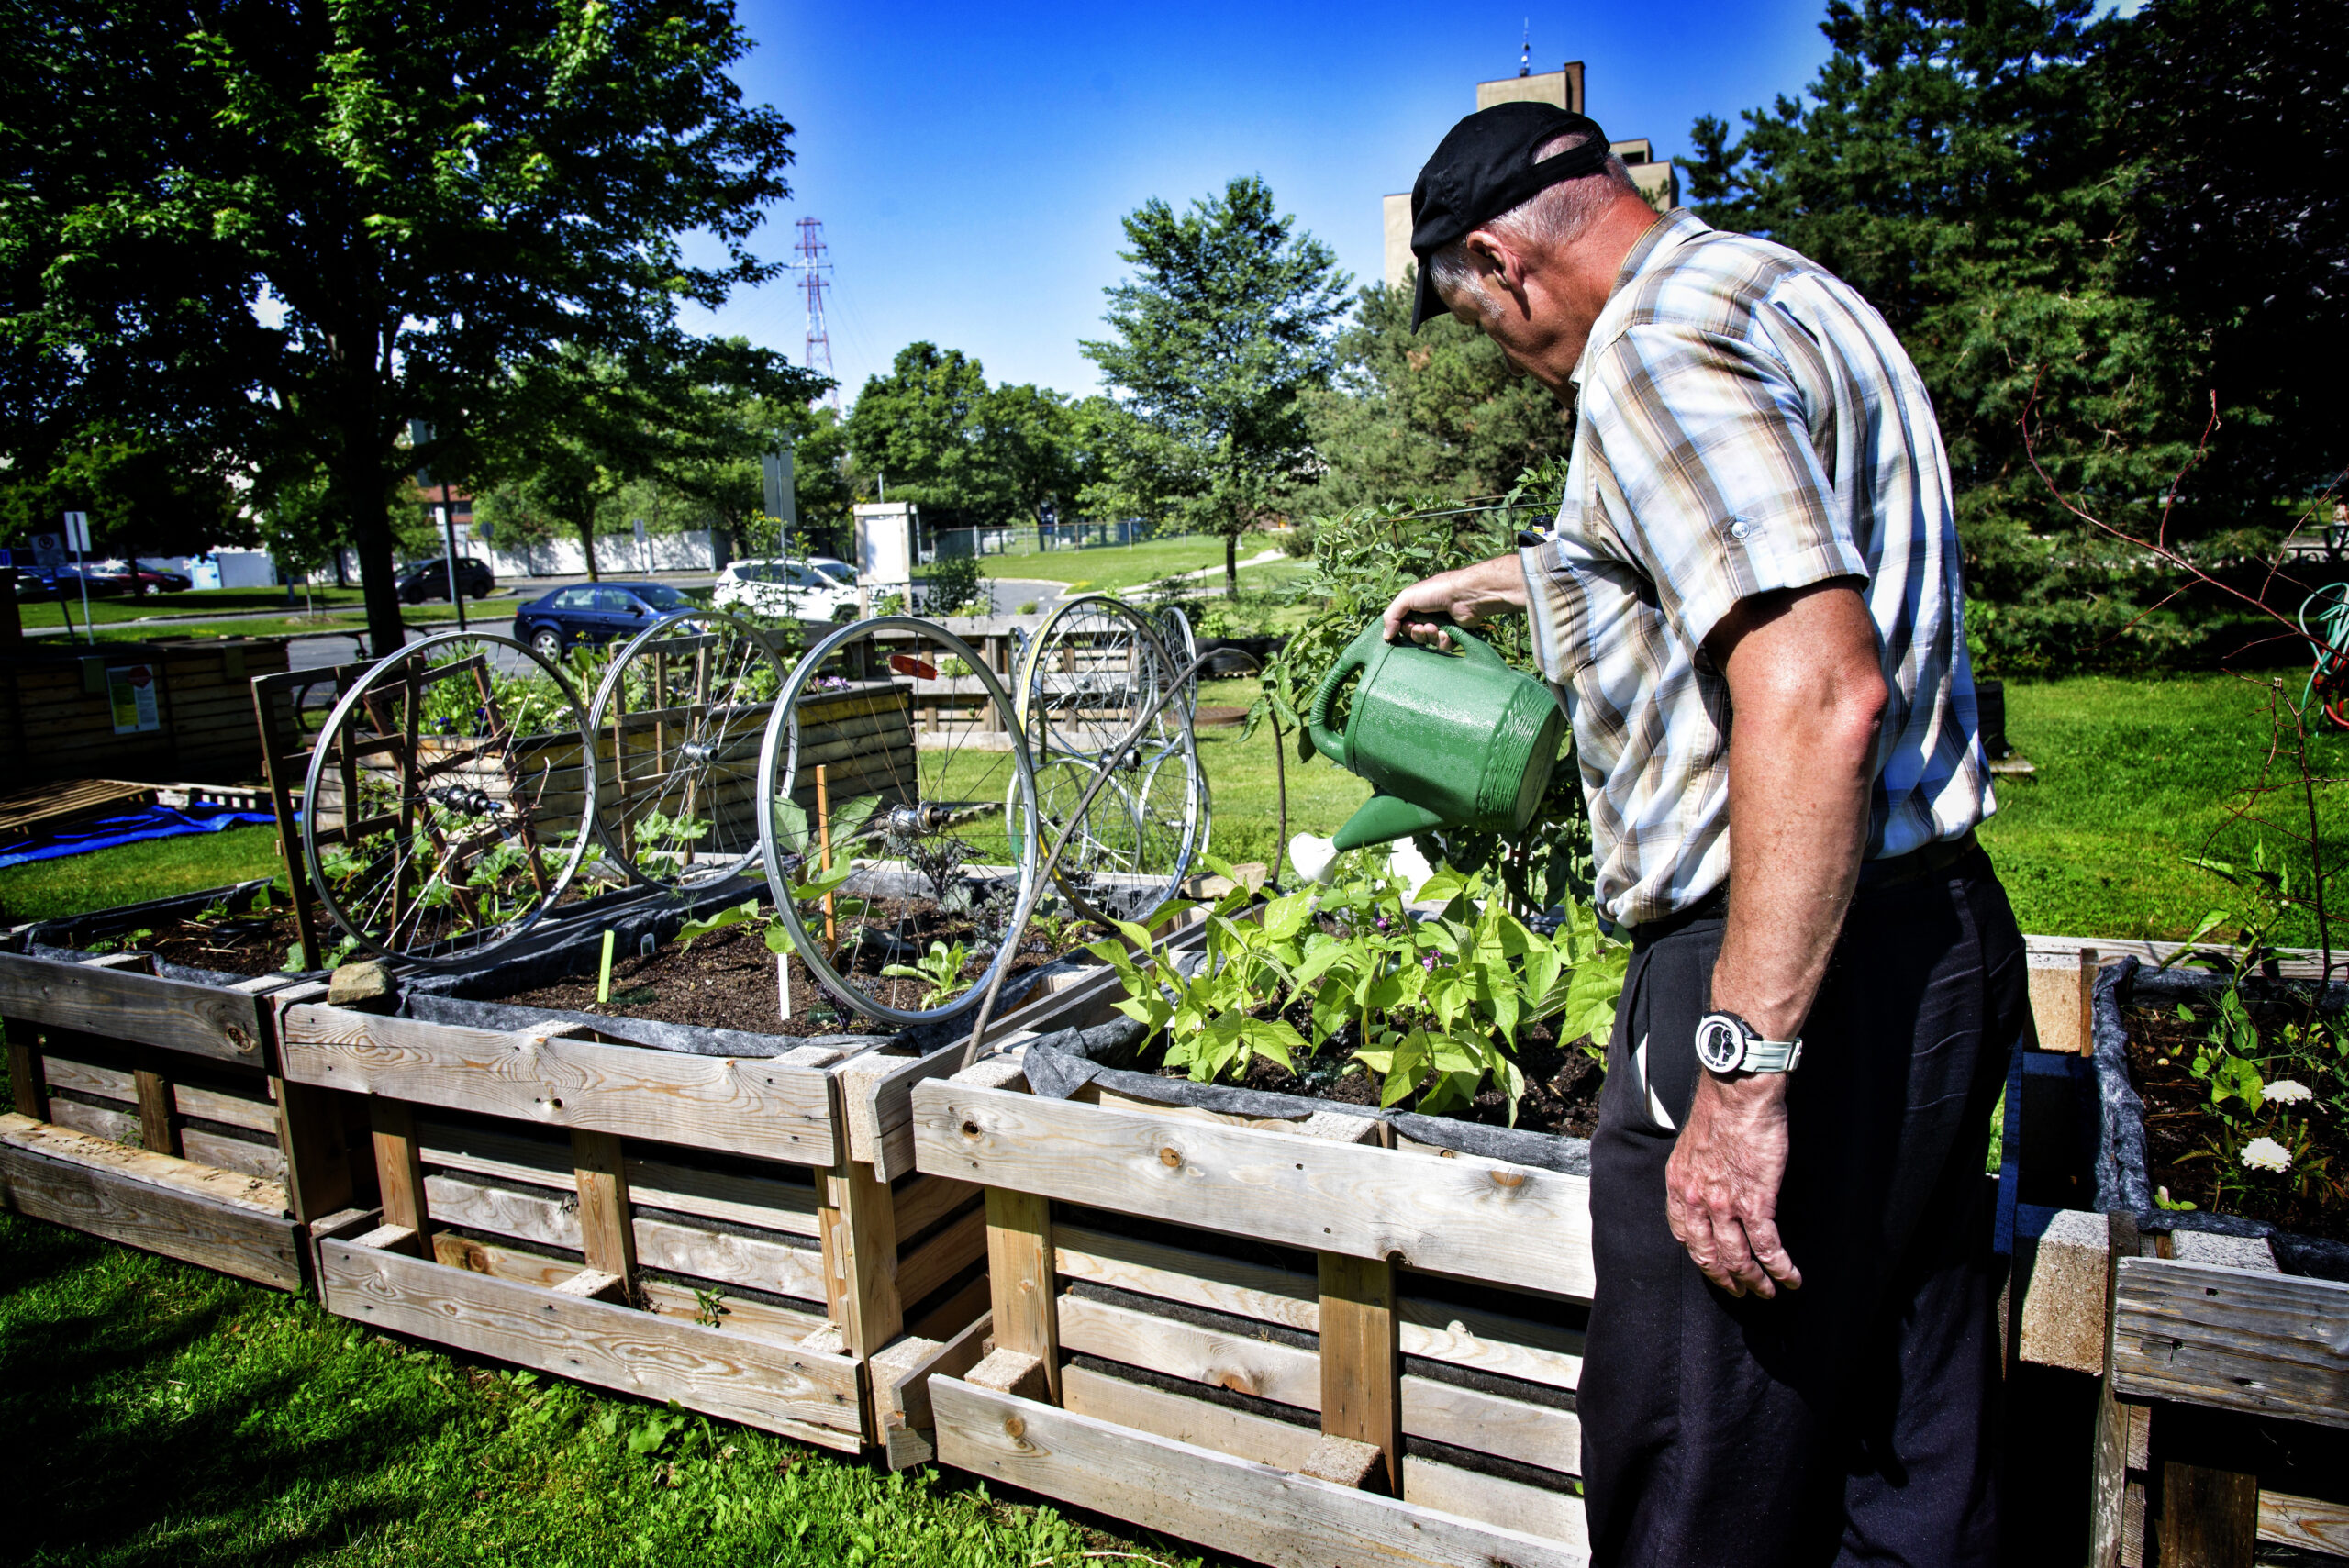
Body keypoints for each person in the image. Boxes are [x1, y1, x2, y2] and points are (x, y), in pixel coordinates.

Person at [1380, 102, 2026, 1567]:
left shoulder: (1651, 352)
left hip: (1786, 957)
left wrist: (1743, 1067)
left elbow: (1818, 689)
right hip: (1934, 938)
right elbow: (1740, 544)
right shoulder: (1785, 296)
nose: (1509, 353)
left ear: (1500, 258)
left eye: (1483, 318)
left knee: (1700, 1463)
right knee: (1907, 1437)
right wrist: (1501, 583)